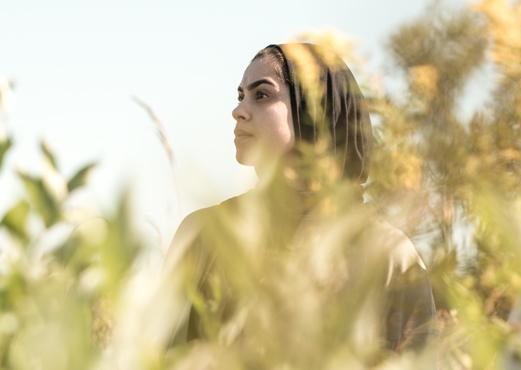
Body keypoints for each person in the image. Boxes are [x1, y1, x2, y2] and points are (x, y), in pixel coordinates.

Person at [165, 43, 436, 354]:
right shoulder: (205, 234)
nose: (238, 110)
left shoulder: (388, 254)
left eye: (262, 95)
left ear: (313, 109)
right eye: (241, 96)